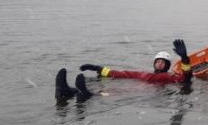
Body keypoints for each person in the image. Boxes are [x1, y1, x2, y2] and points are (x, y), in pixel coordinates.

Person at [55, 39, 192, 102]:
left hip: (144, 92)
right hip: (138, 85)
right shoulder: (144, 74)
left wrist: (185, 59)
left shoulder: (169, 77)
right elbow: (123, 74)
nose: (160, 64)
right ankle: (67, 91)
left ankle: (88, 95)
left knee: (118, 92)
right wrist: (98, 68)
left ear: (167, 66)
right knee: (119, 84)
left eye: (163, 62)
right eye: (158, 61)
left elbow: (186, 78)